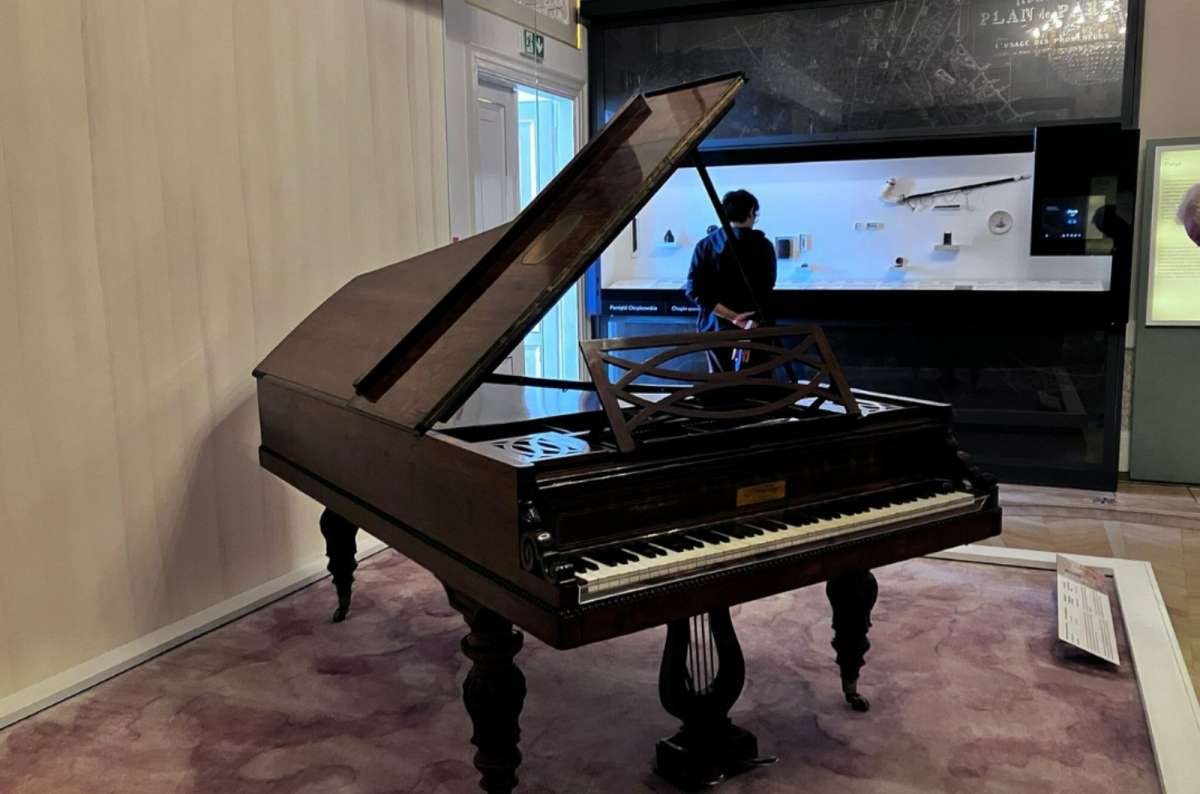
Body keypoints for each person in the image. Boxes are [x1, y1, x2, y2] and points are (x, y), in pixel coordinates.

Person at [683, 189, 777, 371]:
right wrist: (748, 325)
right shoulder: (763, 246)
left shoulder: (706, 245)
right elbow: (766, 289)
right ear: (751, 212)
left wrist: (734, 318)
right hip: (756, 327)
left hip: (715, 327)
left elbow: (694, 290)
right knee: (758, 383)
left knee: (721, 383)